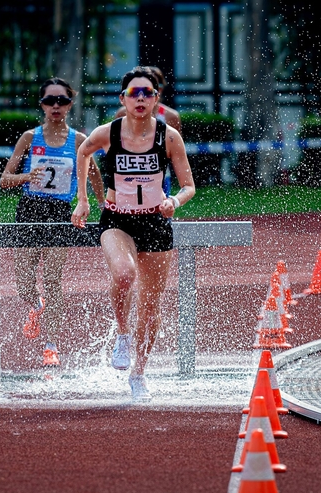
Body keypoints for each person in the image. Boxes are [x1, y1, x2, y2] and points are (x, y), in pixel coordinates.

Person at [71, 66, 195, 400]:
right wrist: (83, 200)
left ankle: (139, 373)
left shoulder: (169, 136)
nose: (140, 99)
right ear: (122, 98)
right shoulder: (108, 133)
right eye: (134, 93)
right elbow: (83, 152)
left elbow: (189, 186)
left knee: (150, 307)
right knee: (124, 274)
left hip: (155, 222)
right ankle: (123, 335)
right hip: (117, 219)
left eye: (147, 93)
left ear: (156, 99)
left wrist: (174, 201)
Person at [0, 77, 105, 367]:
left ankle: (51, 345)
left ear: (70, 104)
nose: (56, 106)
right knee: (24, 283)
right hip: (29, 211)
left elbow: (94, 174)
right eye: (50, 101)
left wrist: (101, 204)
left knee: (53, 279)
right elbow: (4, 179)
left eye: (62, 100)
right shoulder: (29, 138)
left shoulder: (79, 140)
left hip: (60, 213)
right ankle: (37, 305)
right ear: (42, 105)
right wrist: (26, 176)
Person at [114, 66, 181, 196]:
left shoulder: (170, 116)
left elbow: (176, 152)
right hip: (128, 174)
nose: (142, 95)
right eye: (137, 90)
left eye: (149, 90)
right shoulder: (122, 114)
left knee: (161, 208)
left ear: (159, 91)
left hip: (159, 175)